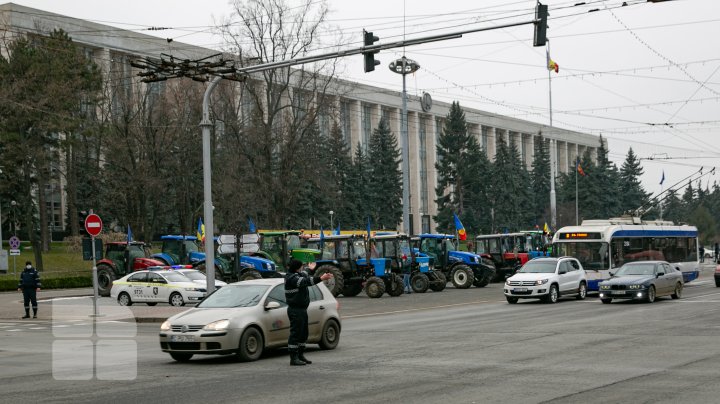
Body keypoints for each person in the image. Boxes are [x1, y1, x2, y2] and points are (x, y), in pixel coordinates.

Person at [284, 258, 333, 366]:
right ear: (297, 268)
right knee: (295, 334)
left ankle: (300, 355)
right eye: (301, 266)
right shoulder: (292, 278)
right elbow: (306, 281)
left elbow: (304, 274)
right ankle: (294, 358)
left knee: (303, 333)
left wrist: (309, 269)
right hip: (295, 310)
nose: (302, 269)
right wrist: (321, 278)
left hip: (301, 310)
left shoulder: (296, 275)